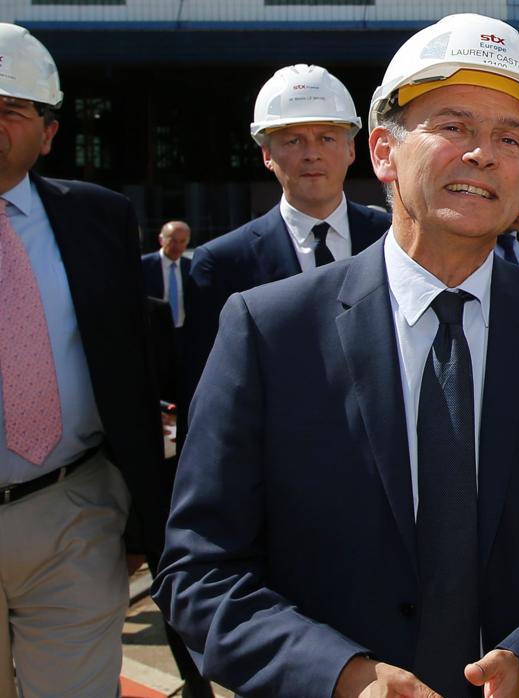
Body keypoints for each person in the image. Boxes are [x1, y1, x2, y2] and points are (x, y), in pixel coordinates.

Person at [154, 14, 519, 698]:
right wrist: (340, 675)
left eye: (509, 137)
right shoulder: (270, 333)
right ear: (384, 152)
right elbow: (200, 573)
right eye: (453, 127)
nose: (482, 154)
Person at [0, 24, 171, 697]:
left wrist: (139, 516)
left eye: (10, 109)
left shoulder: (100, 219)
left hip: (72, 507)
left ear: (47, 133)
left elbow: (132, 367)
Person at [184, 63, 390, 408]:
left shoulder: (395, 239)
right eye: (293, 140)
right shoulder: (222, 263)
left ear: (352, 150)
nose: (312, 153)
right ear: (267, 155)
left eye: (326, 138)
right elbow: (208, 396)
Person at [142, 220, 191, 328]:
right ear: (161, 240)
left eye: (182, 241)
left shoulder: (190, 266)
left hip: (184, 330)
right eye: (172, 241)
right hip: (154, 329)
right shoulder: (143, 265)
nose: (177, 246)